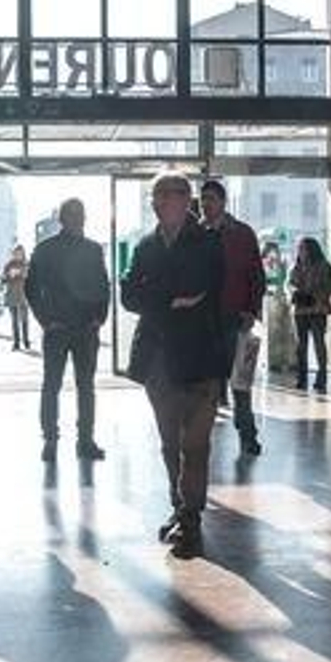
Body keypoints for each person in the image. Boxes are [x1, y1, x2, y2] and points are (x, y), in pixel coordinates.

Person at [121, 172, 227, 559]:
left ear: (187, 201)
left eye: (168, 195)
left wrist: (156, 294)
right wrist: (168, 299)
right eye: (156, 196)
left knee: (194, 446)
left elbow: (197, 286)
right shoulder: (145, 245)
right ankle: (181, 507)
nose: (159, 202)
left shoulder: (208, 243)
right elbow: (129, 293)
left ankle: (192, 520)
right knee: (169, 444)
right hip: (157, 362)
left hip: (200, 359)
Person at [26, 198, 110, 462]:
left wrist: (99, 317)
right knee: (62, 385)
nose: (77, 219)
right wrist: (46, 320)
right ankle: (60, 440)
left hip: (79, 327)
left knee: (74, 386)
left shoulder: (84, 249)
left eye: (80, 215)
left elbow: (103, 286)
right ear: (62, 219)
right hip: (63, 327)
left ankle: (75, 440)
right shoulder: (49, 250)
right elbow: (31, 289)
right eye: (73, 215)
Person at [198, 179, 267, 456]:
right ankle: (201, 438)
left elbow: (256, 276)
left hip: (235, 318)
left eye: (211, 199)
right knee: (207, 386)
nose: (206, 204)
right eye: (203, 199)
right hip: (203, 323)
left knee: (240, 382)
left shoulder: (242, 234)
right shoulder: (196, 234)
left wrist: (252, 309)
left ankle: (247, 435)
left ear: (223, 202)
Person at [288, 236, 331, 390]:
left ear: (312, 249)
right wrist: (295, 293)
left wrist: (314, 296)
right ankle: (301, 378)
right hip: (300, 311)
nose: (301, 252)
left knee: (318, 343)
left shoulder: (324, 265)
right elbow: (289, 285)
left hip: (317, 309)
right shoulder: (296, 266)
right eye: (299, 248)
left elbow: (330, 286)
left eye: (303, 248)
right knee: (301, 346)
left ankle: (321, 378)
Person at [2, 244, 31, 350]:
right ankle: (16, 342)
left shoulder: (26, 264)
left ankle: (26, 341)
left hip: (23, 295)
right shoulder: (9, 265)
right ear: (13, 254)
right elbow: (2, 279)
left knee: (24, 320)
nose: (18, 255)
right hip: (12, 295)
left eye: (20, 253)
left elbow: (31, 280)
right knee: (14, 321)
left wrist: (24, 274)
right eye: (16, 253)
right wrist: (9, 275)